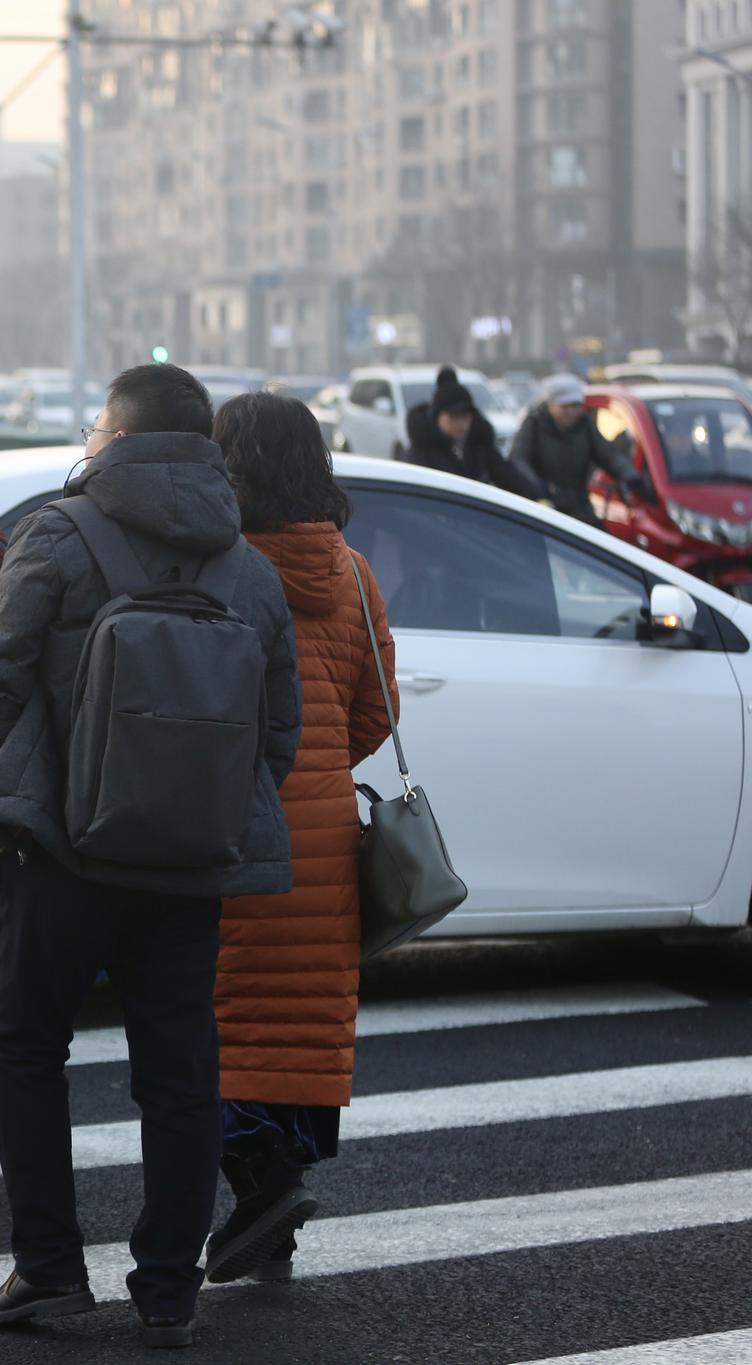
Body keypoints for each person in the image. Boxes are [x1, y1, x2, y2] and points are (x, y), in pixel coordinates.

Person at [0, 364, 301, 1348]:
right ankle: (166, 1290)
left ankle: (50, 1273)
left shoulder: (60, 534)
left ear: (113, 433)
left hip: (60, 852)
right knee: (180, 1069)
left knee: (25, 1049)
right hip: (189, 860)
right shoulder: (246, 565)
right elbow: (277, 728)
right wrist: (207, 809)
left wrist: (6, 809)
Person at [206, 391, 399, 1284]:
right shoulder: (353, 573)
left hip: (228, 818)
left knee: (223, 1023)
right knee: (295, 1028)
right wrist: (320, 759)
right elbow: (375, 714)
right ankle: (268, 1223)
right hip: (325, 832)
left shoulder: (215, 565)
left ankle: (257, 1194)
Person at [400, 365, 542, 500]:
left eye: (466, 416)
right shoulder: (420, 453)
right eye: (454, 416)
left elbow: (510, 479)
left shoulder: (479, 446)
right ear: (437, 416)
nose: (461, 423)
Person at [509, 373, 633, 524]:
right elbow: (518, 458)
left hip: (579, 503)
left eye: (576, 406)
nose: (571, 412)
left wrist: (629, 474)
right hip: (545, 504)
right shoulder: (534, 424)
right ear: (551, 405)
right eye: (565, 407)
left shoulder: (585, 425)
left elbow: (608, 454)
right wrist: (537, 485)